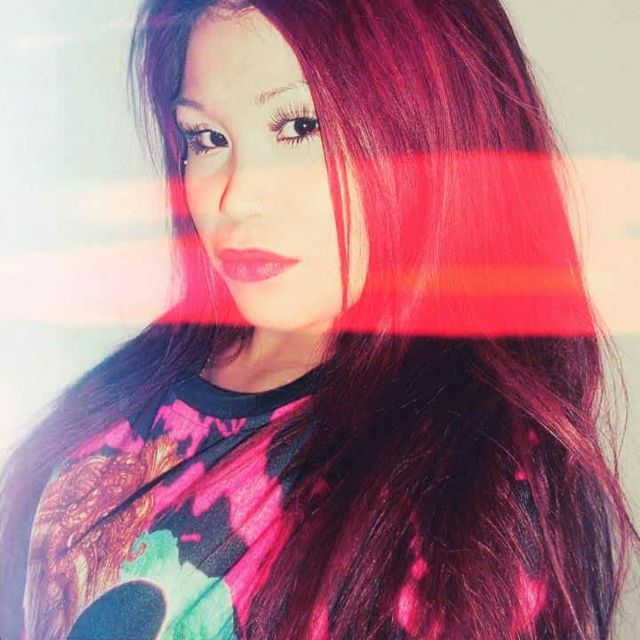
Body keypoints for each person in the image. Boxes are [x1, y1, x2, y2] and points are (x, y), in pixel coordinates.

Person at [0, 0, 637, 638]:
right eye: (208, 138)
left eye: (301, 127)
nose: (236, 198)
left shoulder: (475, 483)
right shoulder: (142, 379)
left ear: (440, 128)